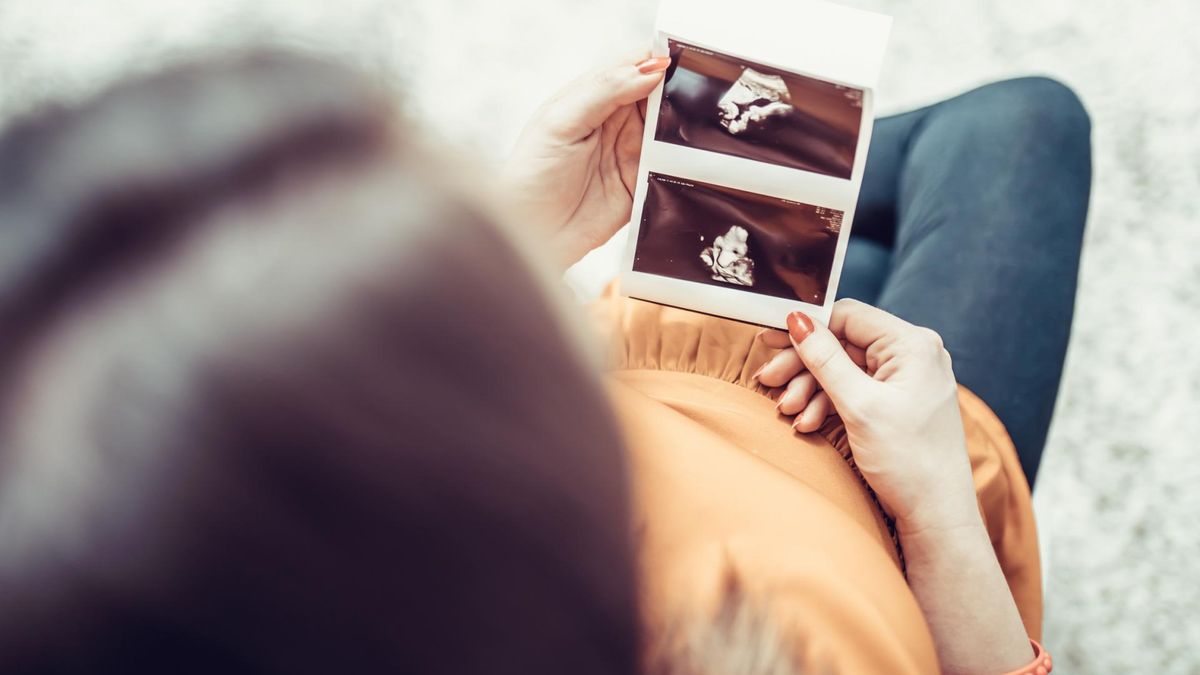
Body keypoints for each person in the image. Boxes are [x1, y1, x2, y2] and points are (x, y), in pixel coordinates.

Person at [0, 48, 1089, 675]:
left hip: (714, 374)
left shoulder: (247, 550)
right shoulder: (808, 643)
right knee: (1024, 125)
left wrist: (520, 236)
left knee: (848, 203)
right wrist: (941, 519)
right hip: (886, 491)